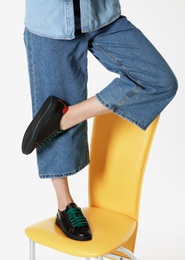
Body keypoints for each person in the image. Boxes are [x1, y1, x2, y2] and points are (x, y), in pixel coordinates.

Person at [22, 0, 178, 241]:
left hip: (102, 17)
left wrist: (71, 116)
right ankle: (65, 206)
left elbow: (161, 83)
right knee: (54, 98)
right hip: (49, 22)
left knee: (160, 81)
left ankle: (67, 117)